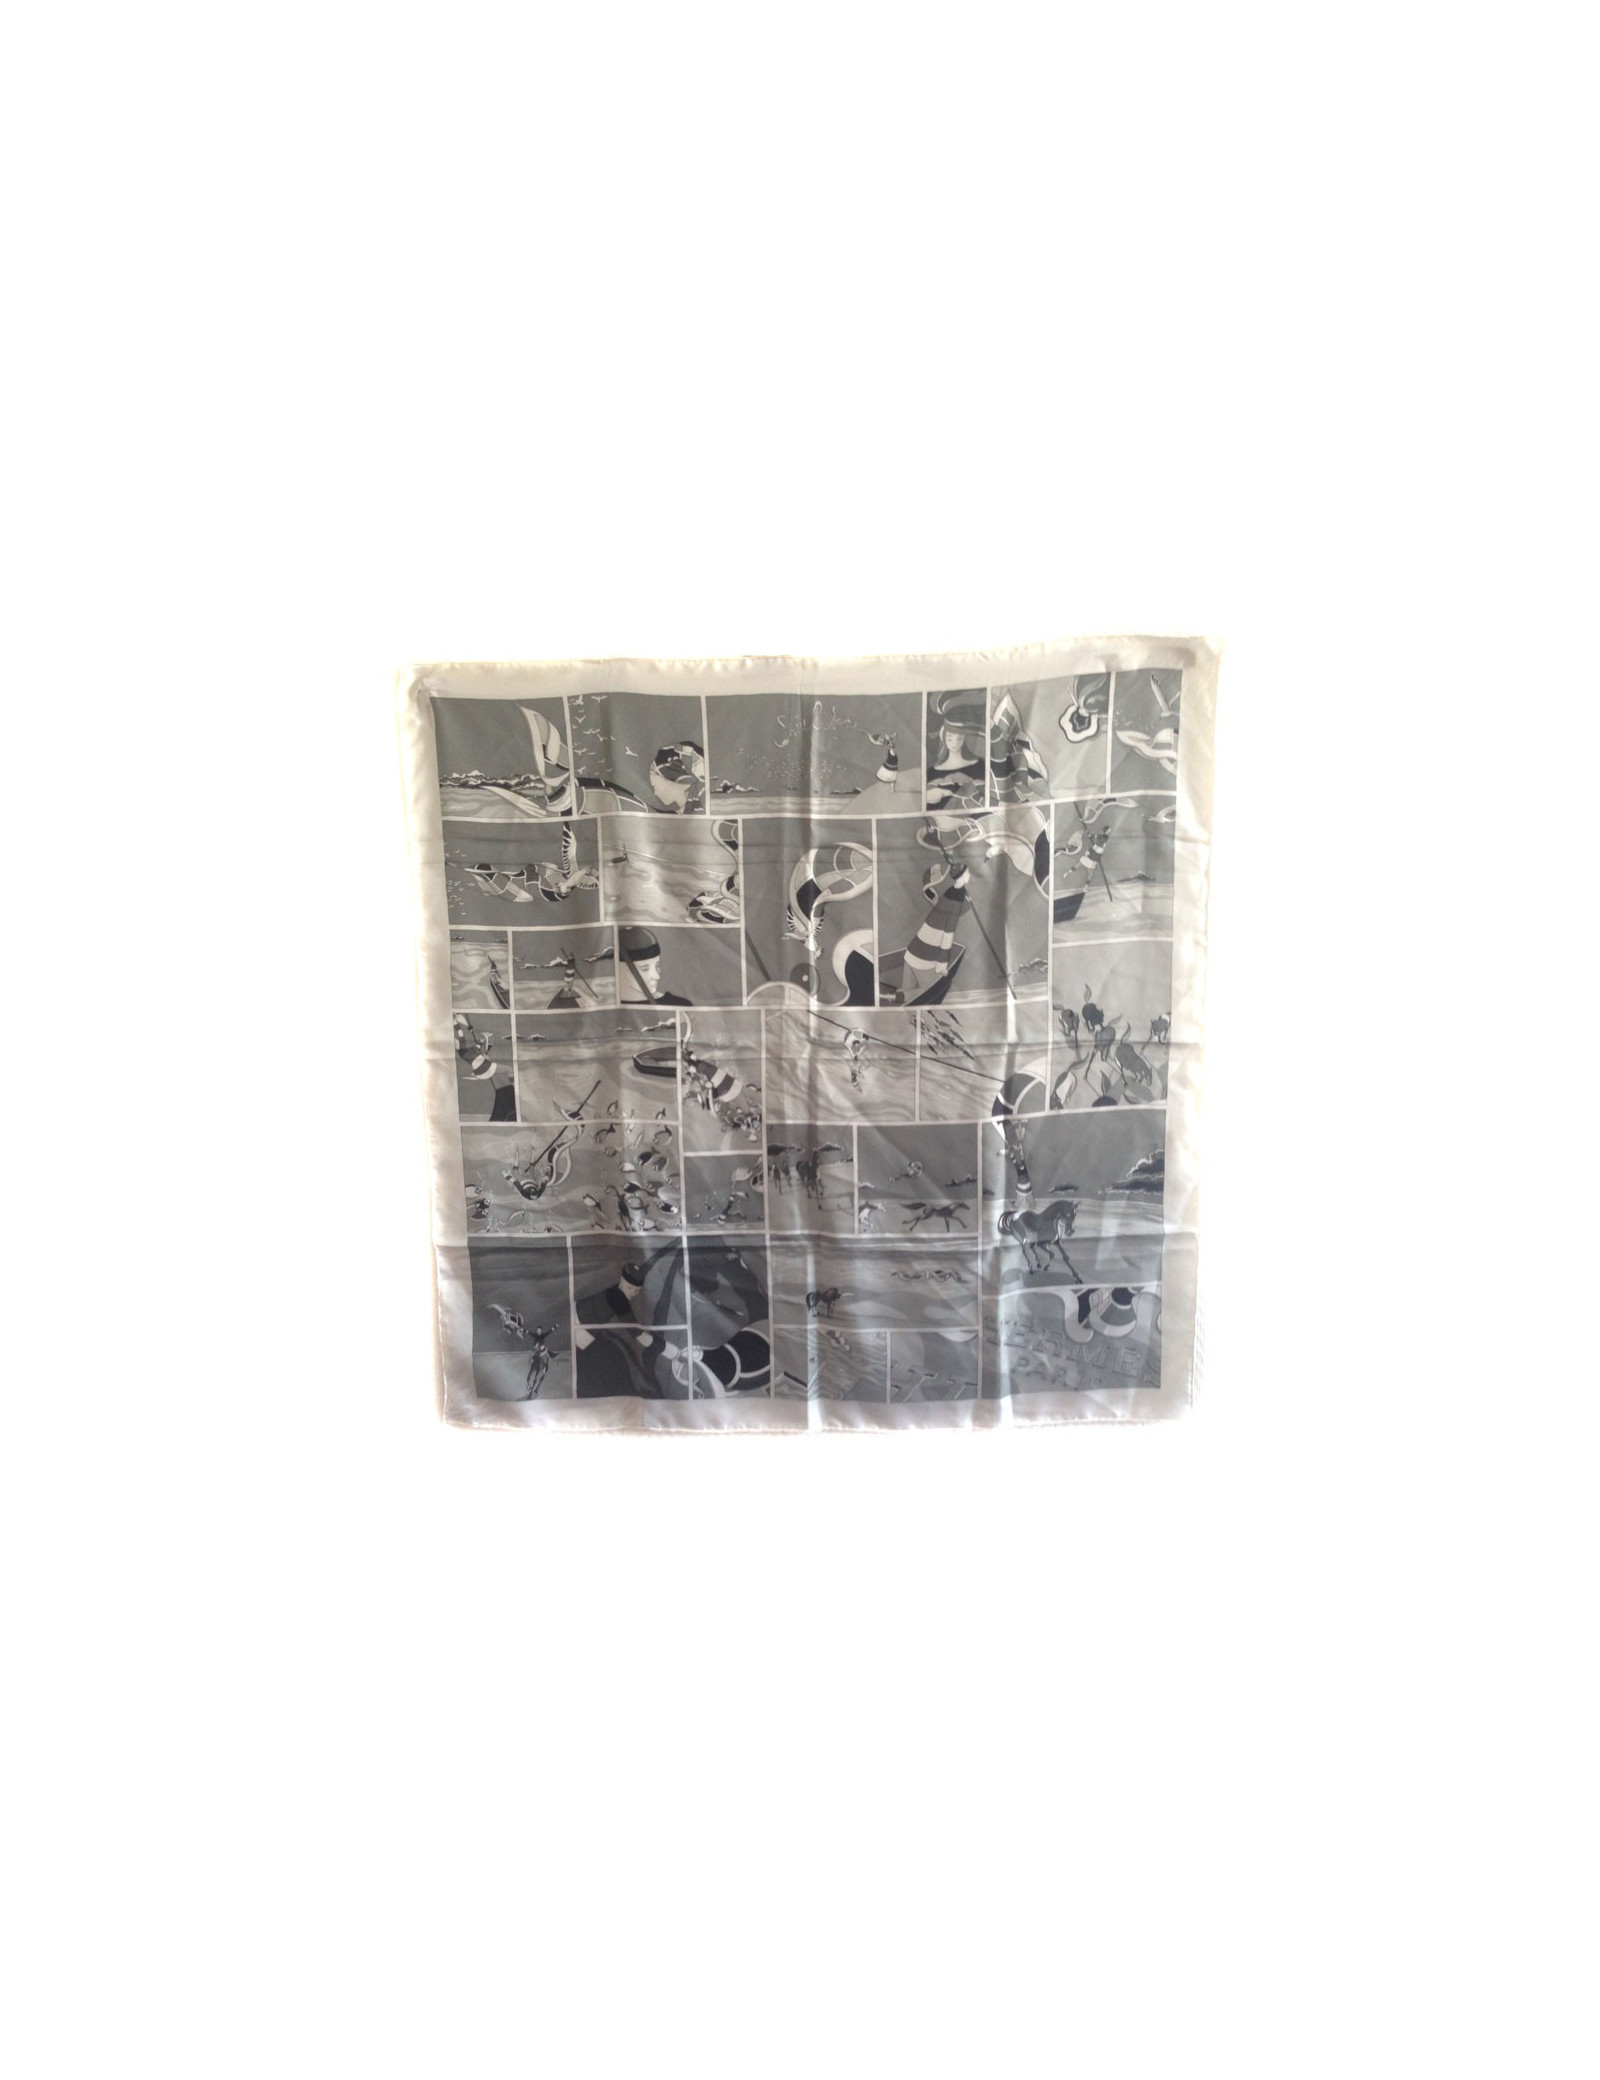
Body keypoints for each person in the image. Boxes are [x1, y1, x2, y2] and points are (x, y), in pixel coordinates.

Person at [617, 924, 692, 1004]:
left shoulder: (679, 1004)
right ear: (620, 968)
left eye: (657, 966)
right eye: (645, 969)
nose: (657, 976)